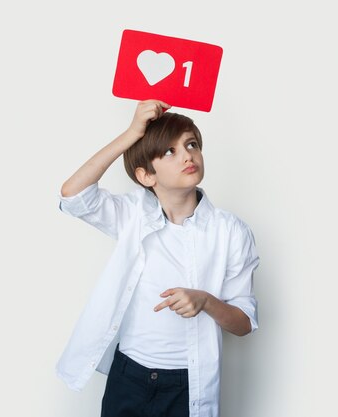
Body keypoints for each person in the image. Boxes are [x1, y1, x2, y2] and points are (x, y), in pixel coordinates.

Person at [56, 99, 259, 417]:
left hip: (188, 384)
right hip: (129, 376)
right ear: (146, 175)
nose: (188, 155)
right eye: (170, 151)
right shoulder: (132, 215)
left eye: (191, 144)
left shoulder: (230, 232)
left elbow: (244, 323)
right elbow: (73, 195)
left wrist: (205, 301)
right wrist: (132, 133)